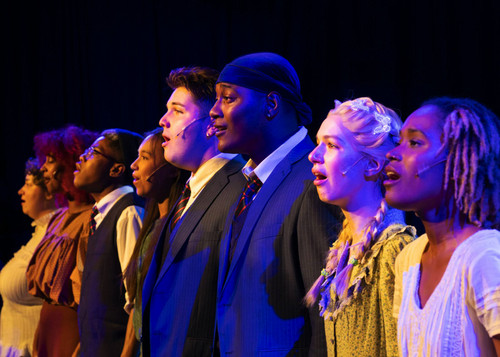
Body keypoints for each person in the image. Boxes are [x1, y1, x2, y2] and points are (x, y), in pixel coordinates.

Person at [209, 52, 341, 355]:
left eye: (228, 99)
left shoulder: (313, 183)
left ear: (270, 105)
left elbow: (325, 318)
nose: (214, 111)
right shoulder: (246, 186)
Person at [141, 66, 246, 356]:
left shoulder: (242, 189)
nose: (163, 121)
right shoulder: (187, 194)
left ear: (211, 122)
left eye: (176, 111)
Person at [385, 97, 500, 356]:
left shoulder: (484, 255)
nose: (392, 153)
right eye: (399, 141)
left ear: (459, 161)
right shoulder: (408, 259)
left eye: (414, 142)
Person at [305, 98, 415, 356]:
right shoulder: (343, 250)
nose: (314, 154)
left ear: (372, 164)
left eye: (331, 145)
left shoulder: (393, 251)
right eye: (319, 142)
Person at [26, 125, 98, 357]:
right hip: (48, 326)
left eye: (50, 161)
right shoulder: (57, 218)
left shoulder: (93, 219)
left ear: (70, 162)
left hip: (72, 329)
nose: (43, 169)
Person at [73, 128, 144, 356]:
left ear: (116, 169)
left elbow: (136, 298)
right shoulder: (99, 217)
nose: (82, 157)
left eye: (93, 151)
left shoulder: (128, 212)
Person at [121, 128, 189, 357]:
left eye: (145, 157)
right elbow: (137, 303)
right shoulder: (150, 227)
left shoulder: (181, 226)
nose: (134, 165)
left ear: (170, 169)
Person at [0, 159, 58, 356]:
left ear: (49, 192)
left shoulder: (57, 239)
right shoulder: (40, 234)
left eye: (28, 184)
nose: (20, 191)